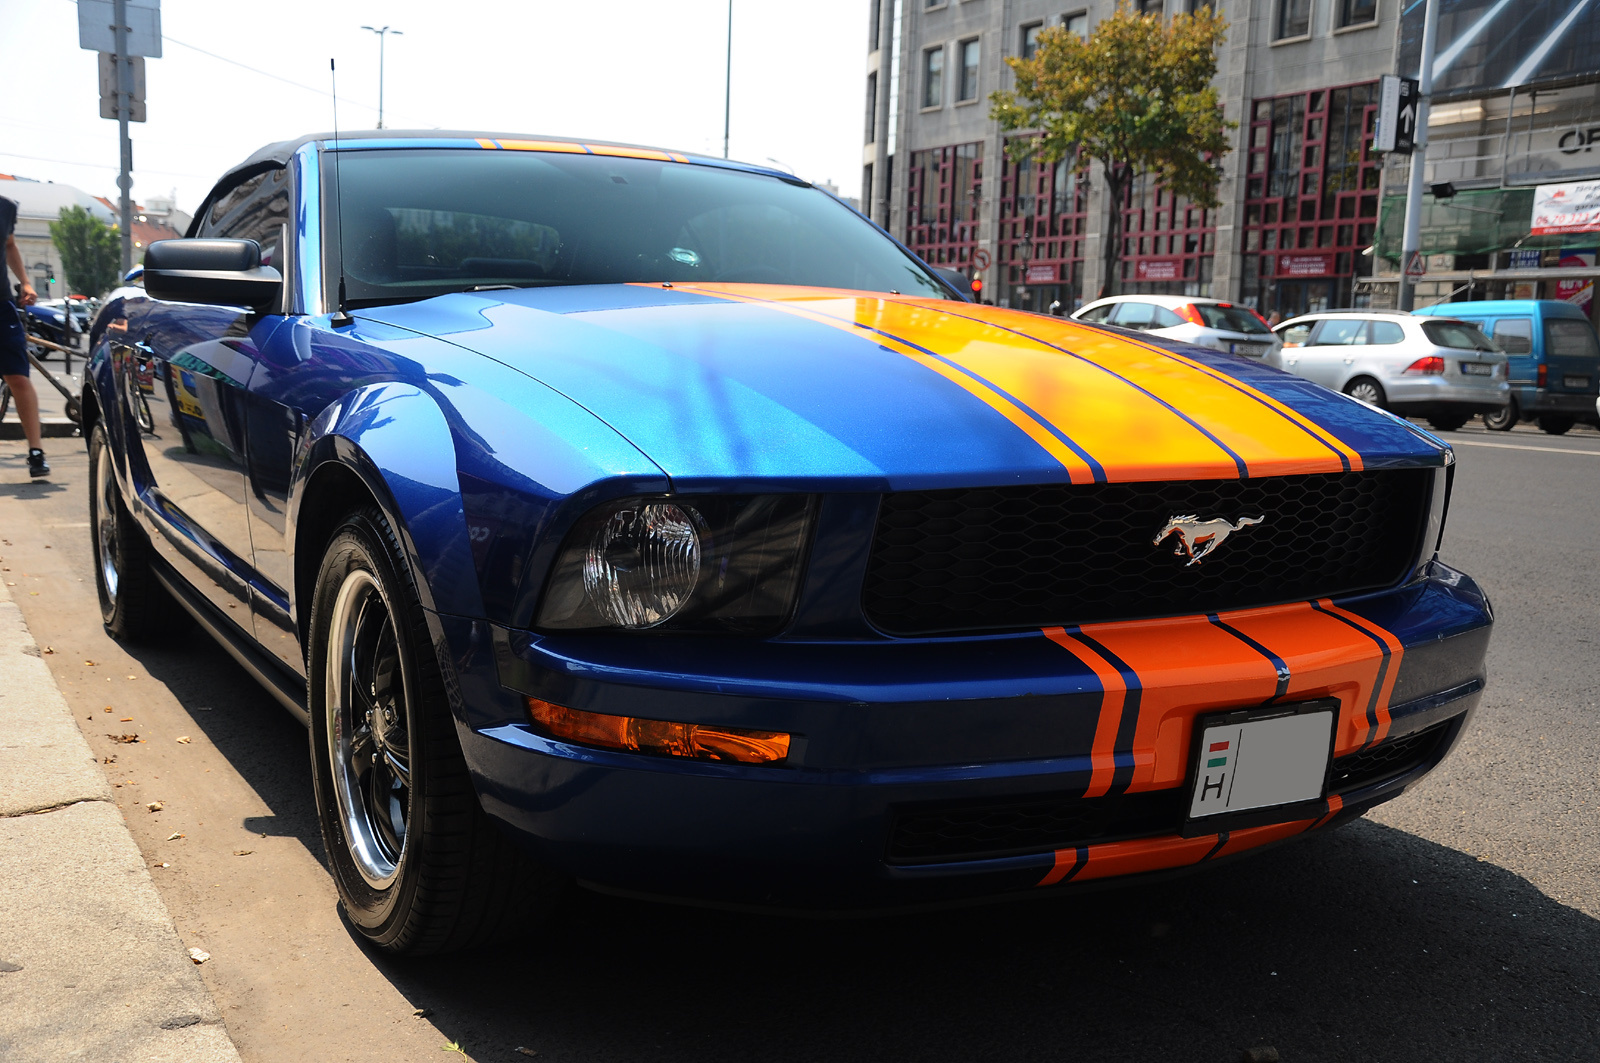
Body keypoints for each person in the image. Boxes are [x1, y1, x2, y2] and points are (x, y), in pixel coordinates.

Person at [1, 194, 46, 478]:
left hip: (0, 304)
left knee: (18, 376)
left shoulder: (5, 208)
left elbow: (10, 245)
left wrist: (26, 282)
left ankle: (36, 452)